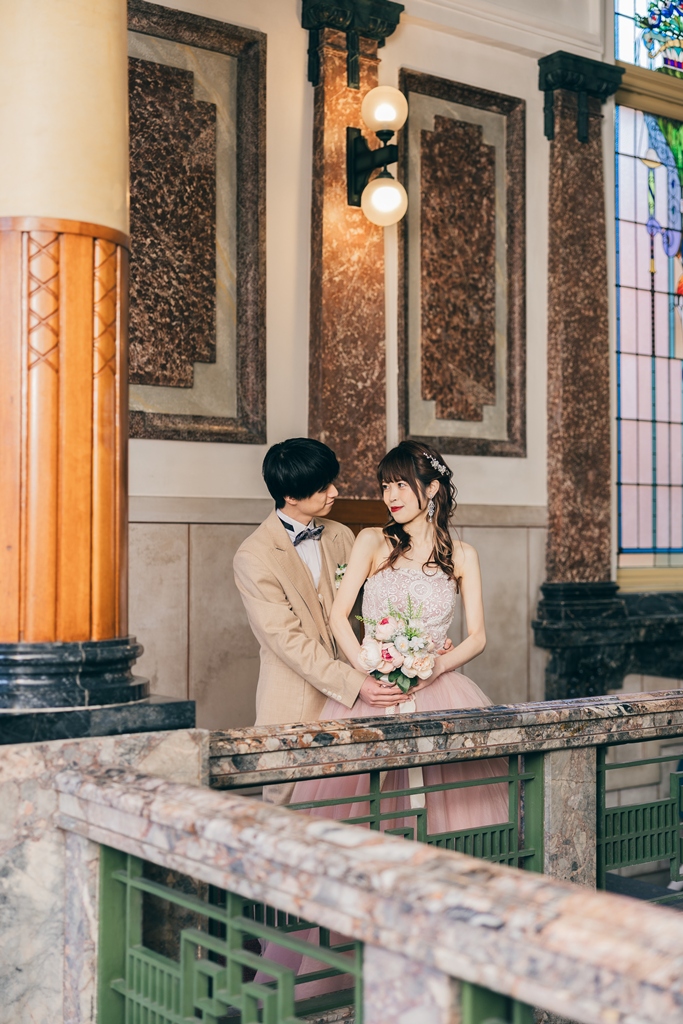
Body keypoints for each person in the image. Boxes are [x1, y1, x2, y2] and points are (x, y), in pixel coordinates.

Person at [291, 439, 509, 835]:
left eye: (401, 485)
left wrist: (437, 665)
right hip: (373, 693)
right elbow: (339, 615)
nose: (390, 496)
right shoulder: (373, 540)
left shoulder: (463, 555)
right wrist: (366, 670)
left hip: (437, 690)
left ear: (432, 488)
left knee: (446, 812)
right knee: (361, 810)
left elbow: (477, 637)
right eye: (385, 486)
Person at [233, 438, 409, 732]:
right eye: (323, 487)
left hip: (355, 705)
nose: (335, 492)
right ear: (290, 495)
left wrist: (421, 638)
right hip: (294, 703)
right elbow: (288, 641)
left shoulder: (342, 536)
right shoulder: (254, 556)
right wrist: (355, 683)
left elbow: (376, 604)